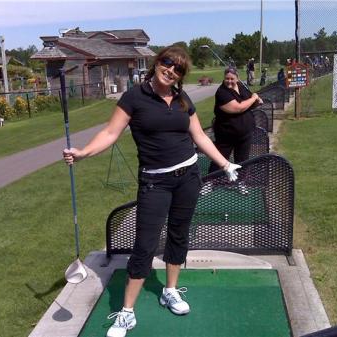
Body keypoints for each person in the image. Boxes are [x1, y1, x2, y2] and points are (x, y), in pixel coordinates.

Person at [62, 46, 241, 337]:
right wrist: (83, 153)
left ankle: (169, 291)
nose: (171, 70)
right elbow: (110, 133)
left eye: (178, 69)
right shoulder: (134, 97)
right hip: (155, 182)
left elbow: (198, 136)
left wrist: (224, 163)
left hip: (188, 177)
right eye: (168, 63)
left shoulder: (182, 100)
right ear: (158, 62)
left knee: (178, 234)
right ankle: (127, 312)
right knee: (144, 244)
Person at [201, 66, 263, 195]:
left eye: (232, 79)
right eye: (227, 78)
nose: (229, 81)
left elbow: (250, 105)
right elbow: (238, 108)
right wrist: (253, 98)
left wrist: (257, 101)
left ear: (237, 78)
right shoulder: (222, 92)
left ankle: (241, 182)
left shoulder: (241, 87)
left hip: (245, 132)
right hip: (226, 134)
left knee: (243, 159)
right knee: (219, 159)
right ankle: (209, 182)